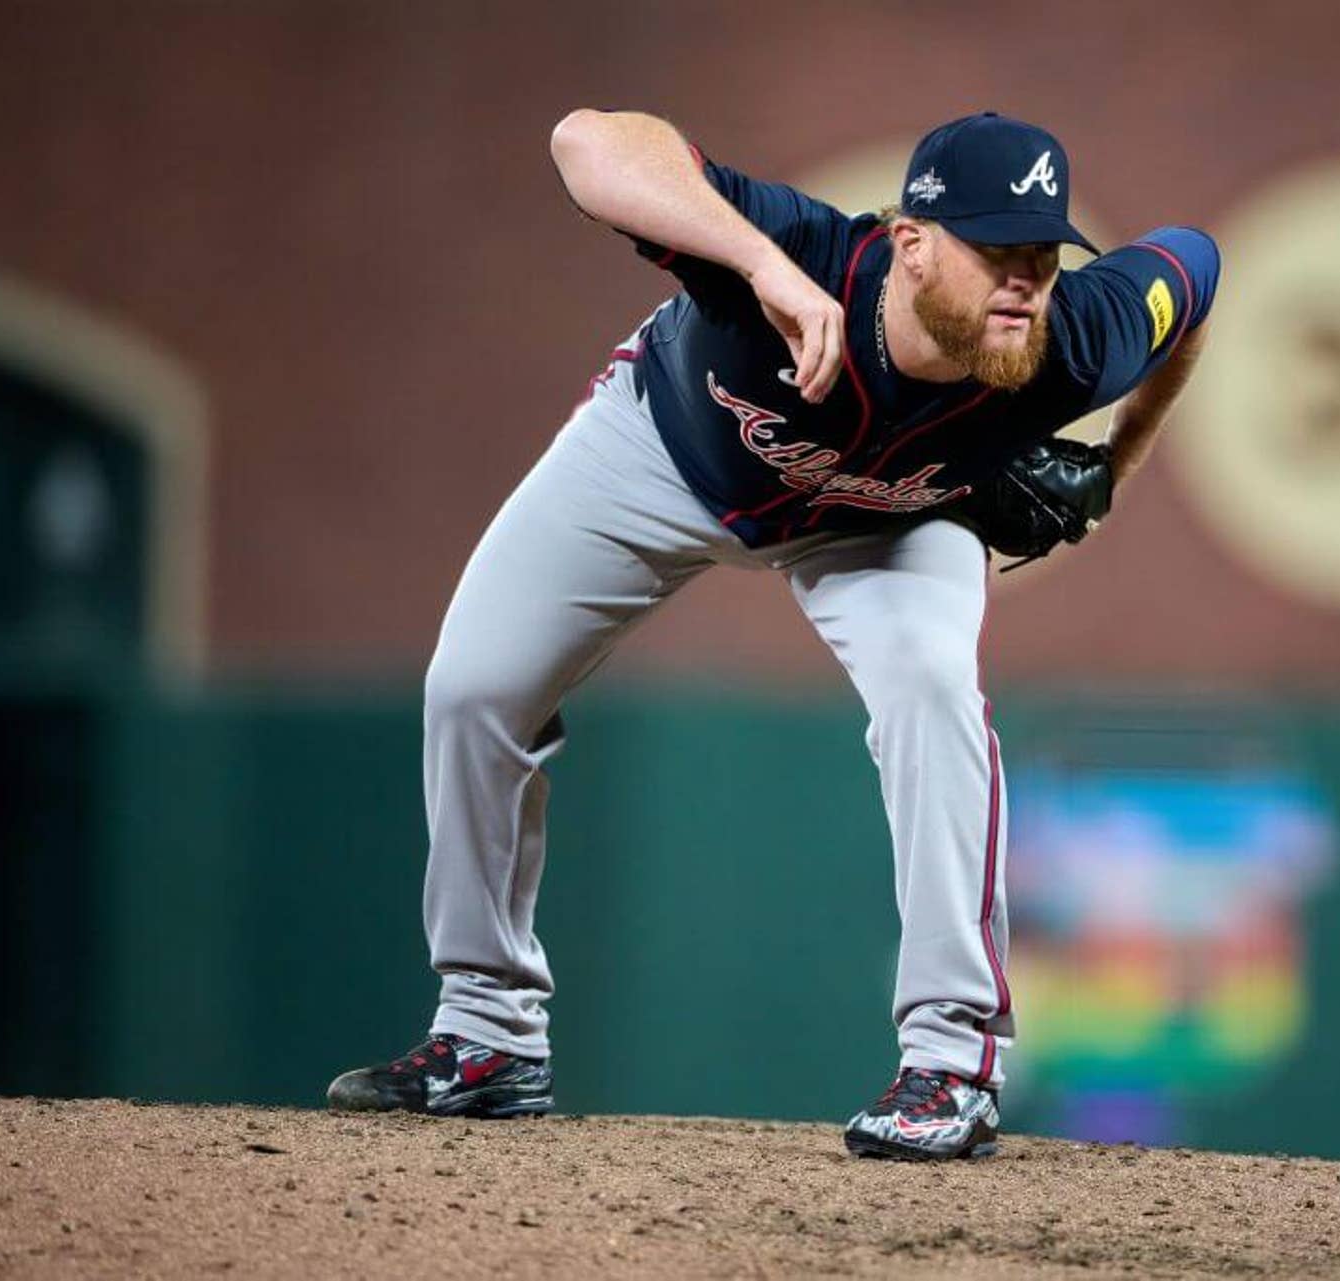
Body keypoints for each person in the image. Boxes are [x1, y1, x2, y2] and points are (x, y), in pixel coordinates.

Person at [326, 109, 1218, 1161]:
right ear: (913, 243)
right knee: (475, 687)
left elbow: (1197, 273)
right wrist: (759, 266)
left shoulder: (1071, 341)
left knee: (933, 690)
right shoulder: (799, 257)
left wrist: (1117, 464)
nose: (1025, 280)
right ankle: (486, 1039)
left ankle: (952, 1061)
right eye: (996, 251)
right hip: (661, 455)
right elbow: (581, 141)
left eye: (1040, 254)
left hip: (885, 520)